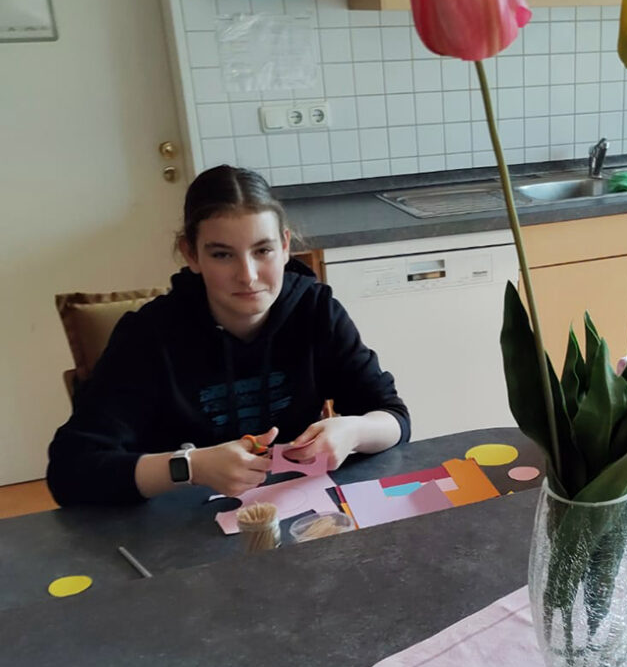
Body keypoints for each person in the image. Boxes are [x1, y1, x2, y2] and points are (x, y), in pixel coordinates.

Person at [47, 166, 410, 506]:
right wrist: (192, 467)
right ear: (191, 254)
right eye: (222, 255)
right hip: (179, 522)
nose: (247, 275)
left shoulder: (316, 311)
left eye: (263, 250)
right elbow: (70, 470)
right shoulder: (148, 335)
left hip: (295, 506)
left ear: (285, 246)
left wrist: (354, 430)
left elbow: (394, 417)